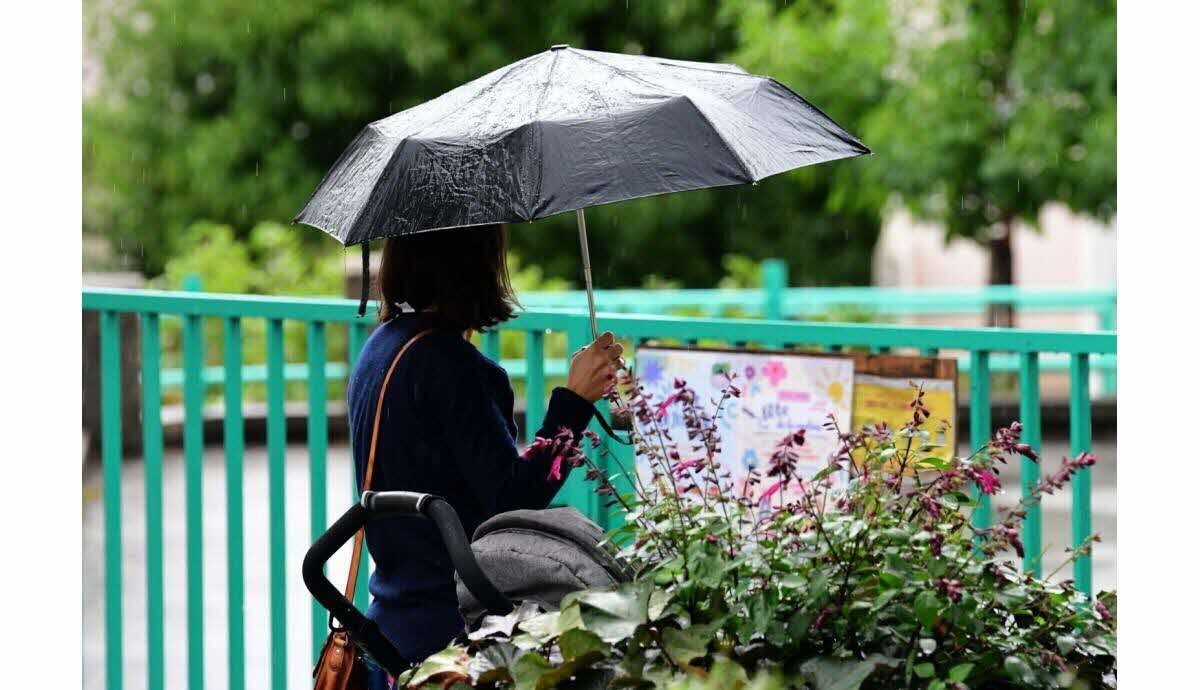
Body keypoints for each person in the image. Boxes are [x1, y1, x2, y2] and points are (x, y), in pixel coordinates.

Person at [346, 224, 622, 685]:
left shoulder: (382, 346)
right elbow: (514, 498)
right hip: (453, 633)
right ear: (476, 263)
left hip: (392, 622)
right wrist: (576, 401)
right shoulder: (453, 367)